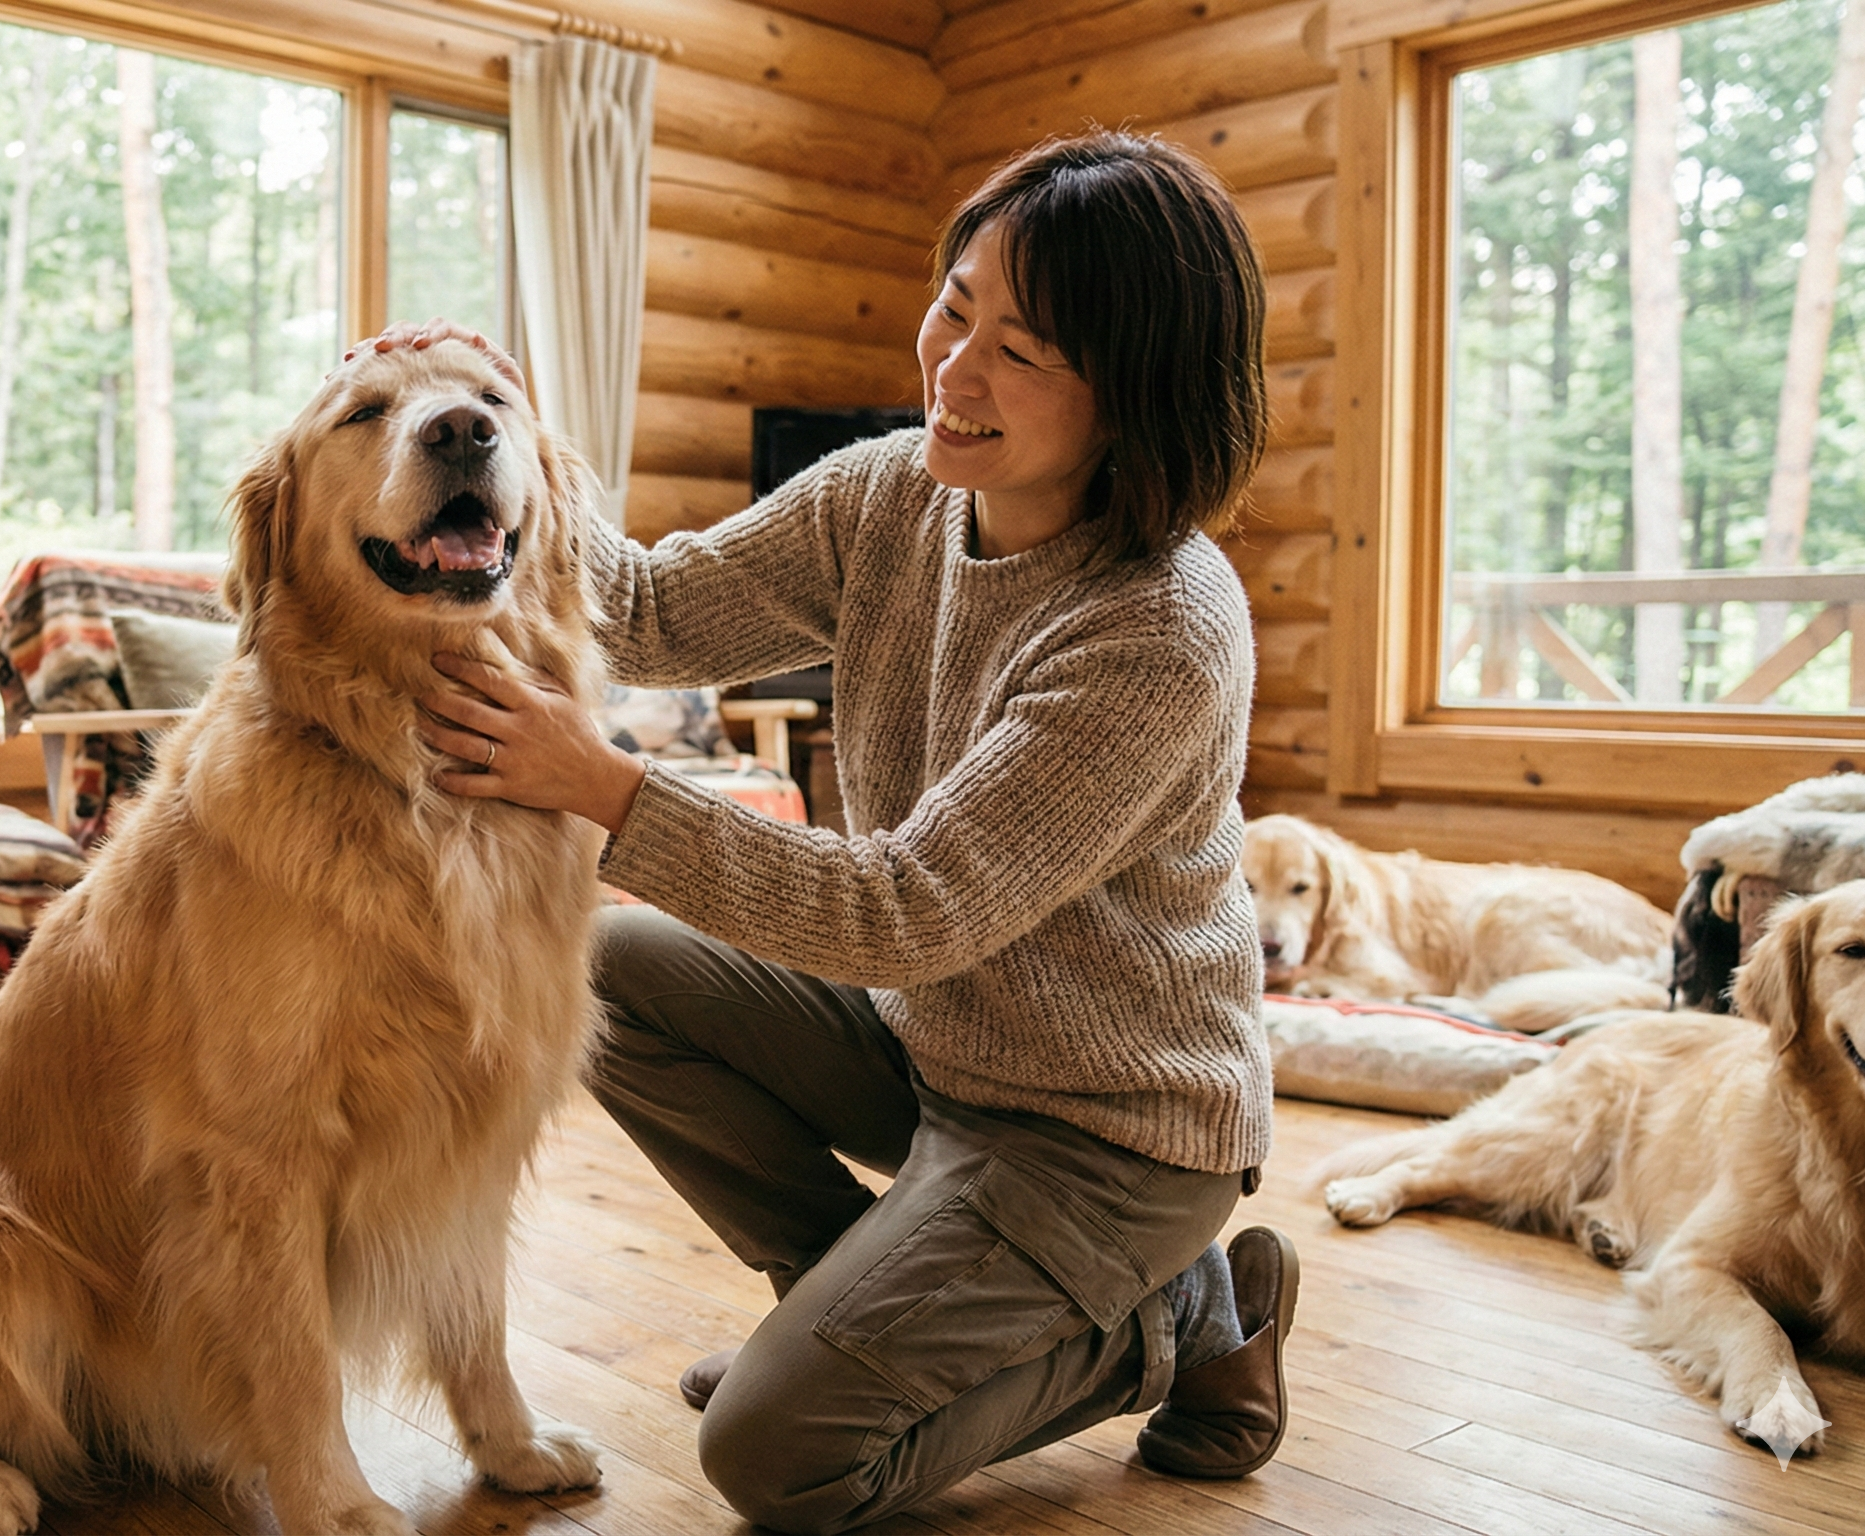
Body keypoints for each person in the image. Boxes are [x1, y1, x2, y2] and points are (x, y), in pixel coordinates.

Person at [370, 129, 1291, 1535]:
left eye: (1023, 350)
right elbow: (657, 610)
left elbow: (905, 910)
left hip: (1114, 1139)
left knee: (779, 1463)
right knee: (609, 973)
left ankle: (1178, 1320)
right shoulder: (896, 493)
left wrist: (605, 786)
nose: (956, 367)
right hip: (944, 1054)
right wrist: (506, 420)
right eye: (956, 305)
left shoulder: (1159, 626)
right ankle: (862, 1309)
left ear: (1137, 398)